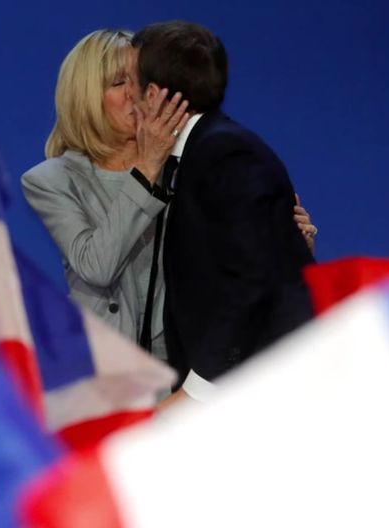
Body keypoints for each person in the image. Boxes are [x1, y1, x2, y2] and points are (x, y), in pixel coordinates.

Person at [21, 29, 317, 375]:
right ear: (87, 97)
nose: (134, 94)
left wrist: (286, 243)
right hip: (108, 373)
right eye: (119, 82)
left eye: (138, 80)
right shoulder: (52, 180)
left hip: (189, 366)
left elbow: (231, 264)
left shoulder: (189, 162)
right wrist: (147, 169)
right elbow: (96, 267)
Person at [129, 21, 316, 409]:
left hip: (262, 395)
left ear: (153, 95)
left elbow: (253, 279)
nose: (126, 94)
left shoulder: (226, 155)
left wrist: (196, 392)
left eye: (129, 81)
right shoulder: (199, 154)